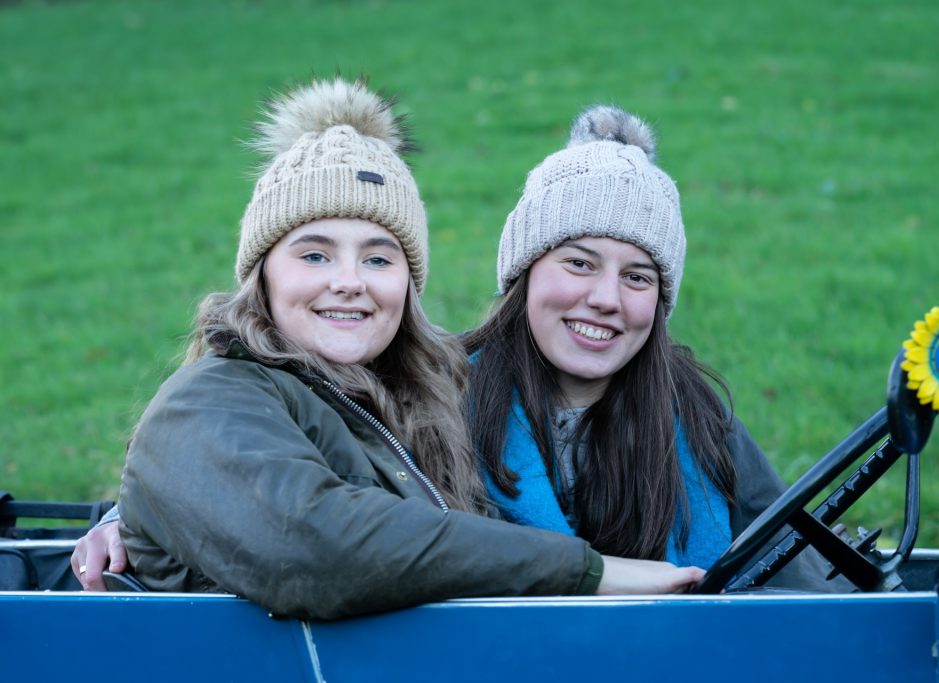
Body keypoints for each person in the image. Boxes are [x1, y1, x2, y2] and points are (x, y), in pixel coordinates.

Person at [81, 78, 707, 617]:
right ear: (262, 275)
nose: (349, 280)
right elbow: (316, 545)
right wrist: (588, 571)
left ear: (407, 285)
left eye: (378, 257)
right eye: (315, 253)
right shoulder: (210, 398)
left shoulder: (413, 402)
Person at [462, 105, 834, 588]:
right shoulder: (443, 404)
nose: (605, 299)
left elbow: (794, 575)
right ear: (523, 272)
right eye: (579, 263)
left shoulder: (701, 420)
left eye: (637, 277)